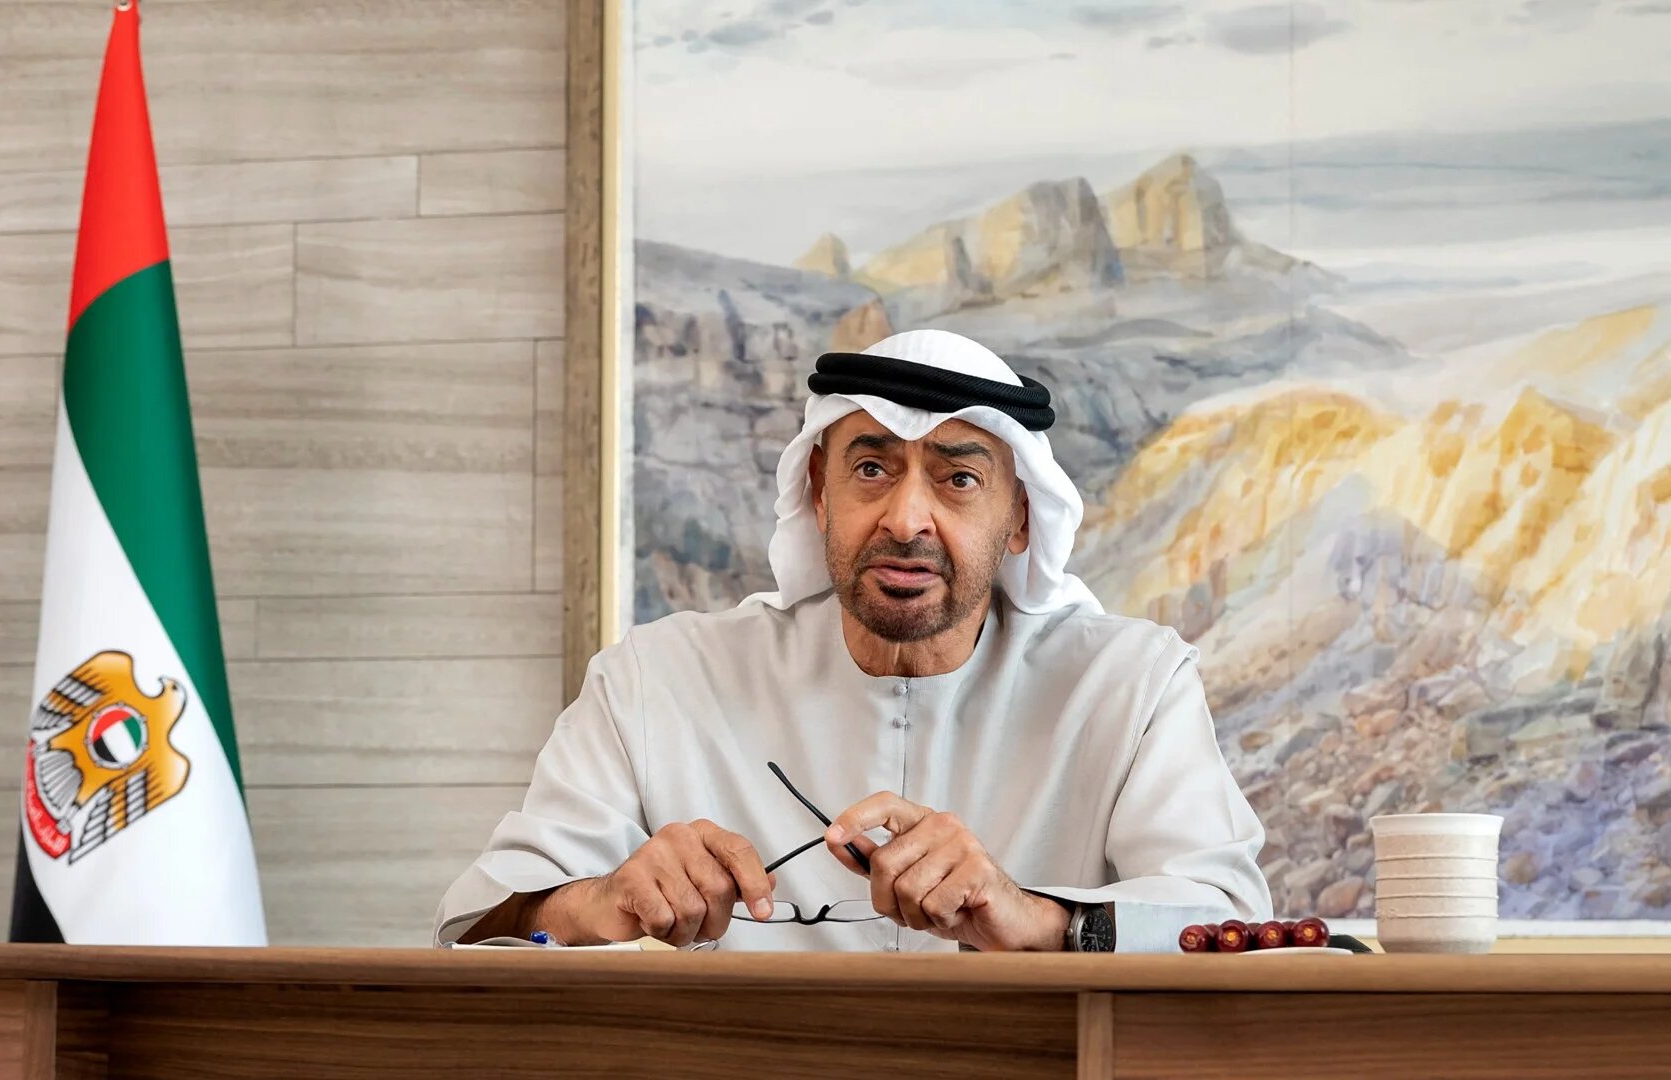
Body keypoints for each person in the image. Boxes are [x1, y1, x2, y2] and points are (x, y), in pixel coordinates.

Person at [435, 329, 1271, 952]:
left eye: (959, 478)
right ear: (818, 492)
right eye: (871, 469)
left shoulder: (1129, 686)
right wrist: (604, 902)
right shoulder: (654, 682)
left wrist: (1033, 917)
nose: (907, 518)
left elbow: (1234, 925)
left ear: (1019, 519)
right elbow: (478, 928)